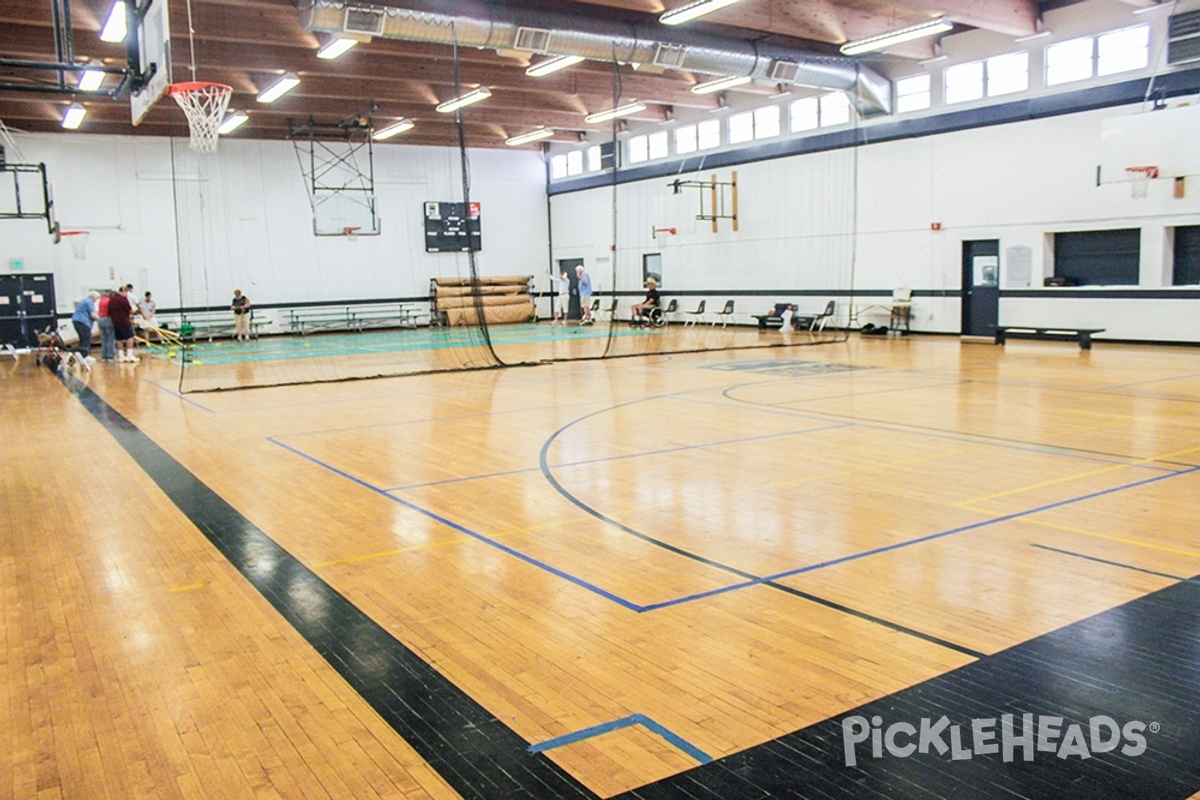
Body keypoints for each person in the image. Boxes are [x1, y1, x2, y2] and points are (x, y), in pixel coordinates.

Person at [109, 285, 138, 362]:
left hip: (115, 322)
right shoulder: (123, 299)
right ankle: (129, 355)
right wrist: (134, 311)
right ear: (124, 292)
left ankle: (121, 356)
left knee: (119, 339)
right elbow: (130, 310)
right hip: (124, 321)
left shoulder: (112, 299)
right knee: (130, 337)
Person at [71, 291, 100, 362]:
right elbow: (93, 315)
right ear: (93, 297)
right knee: (87, 338)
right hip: (83, 322)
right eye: (96, 298)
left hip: (76, 321)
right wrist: (100, 320)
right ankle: (85, 356)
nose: (96, 300)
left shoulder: (83, 301)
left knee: (82, 339)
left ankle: (81, 355)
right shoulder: (89, 302)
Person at [97, 289, 116, 362]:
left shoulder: (101, 300)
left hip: (100, 318)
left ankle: (104, 356)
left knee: (103, 338)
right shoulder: (109, 301)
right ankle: (110, 356)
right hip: (108, 318)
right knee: (110, 338)